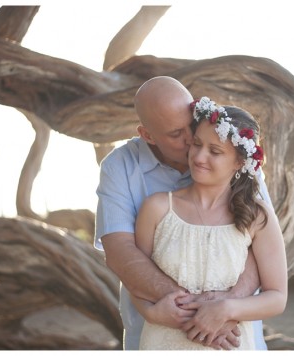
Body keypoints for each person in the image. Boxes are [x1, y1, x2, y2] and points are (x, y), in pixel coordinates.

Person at [95, 76, 274, 350]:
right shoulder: (120, 167)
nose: (192, 140)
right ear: (148, 135)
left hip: (232, 334)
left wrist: (227, 306)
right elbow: (121, 253)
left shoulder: (233, 155)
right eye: (176, 134)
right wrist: (199, 312)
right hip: (158, 333)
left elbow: (258, 242)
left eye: (190, 124)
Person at [130, 97, 288, 350]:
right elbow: (135, 281)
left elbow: (277, 298)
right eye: (196, 144)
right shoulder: (157, 208)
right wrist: (151, 313)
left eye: (215, 151)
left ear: (239, 162)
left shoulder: (256, 216)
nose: (199, 157)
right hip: (163, 344)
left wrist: (226, 309)